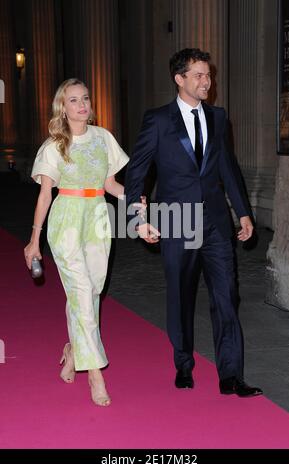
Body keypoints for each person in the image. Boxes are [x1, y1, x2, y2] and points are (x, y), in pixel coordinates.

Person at [125, 48, 263, 397]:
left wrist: (243, 212)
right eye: (199, 75)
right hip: (178, 221)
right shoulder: (158, 120)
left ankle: (231, 375)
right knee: (181, 297)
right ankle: (183, 364)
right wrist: (137, 218)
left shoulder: (218, 117)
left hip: (216, 222)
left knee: (227, 297)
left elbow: (227, 169)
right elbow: (137, 172)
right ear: (180, 79)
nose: (207, 81)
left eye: (209, 75)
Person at [24, 78, 144, 406]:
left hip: (97, 218)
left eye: (85, 99)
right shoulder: (53, 146)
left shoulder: (103, 138)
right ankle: (95, 374)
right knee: (79, 290)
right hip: (66, 220)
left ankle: (73, 351)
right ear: (62, 108)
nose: (82, 105)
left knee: (91, 292)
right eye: (74, 100)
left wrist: (134, 200)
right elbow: (45, 193)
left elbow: (110, 184)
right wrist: (34, 240)